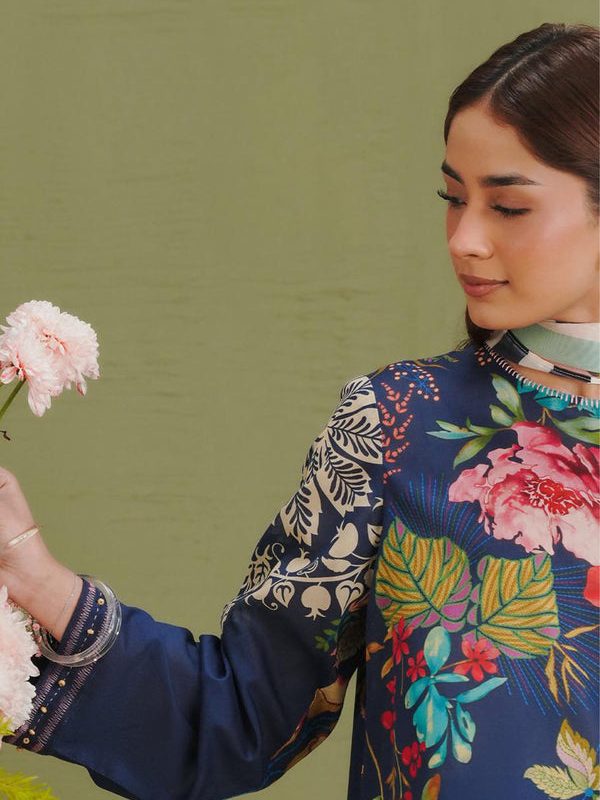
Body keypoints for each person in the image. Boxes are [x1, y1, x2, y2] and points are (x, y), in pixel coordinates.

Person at [0, 19, 598, 800]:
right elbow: (243, 718)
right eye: (453, 199)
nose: (464, 239)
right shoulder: (396, 426)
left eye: (508, 207)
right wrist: (36, 582)